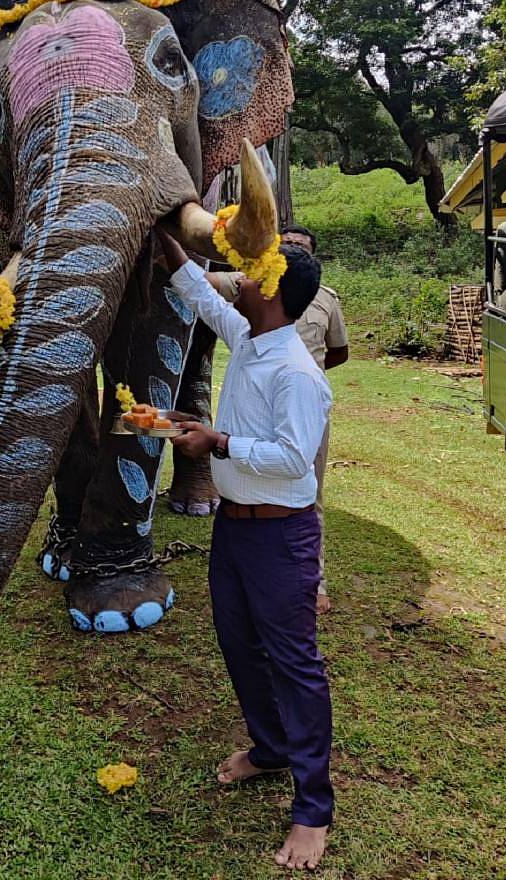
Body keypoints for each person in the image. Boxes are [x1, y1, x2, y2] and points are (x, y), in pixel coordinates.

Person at [158, 226, 333, 873]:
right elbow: (203, 298)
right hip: (234, 530)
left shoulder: (297, 373)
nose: (247, 276)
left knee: (295, 663)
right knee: (236, 641)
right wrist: (165, 240)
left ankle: (313, 809)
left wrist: (219, 443)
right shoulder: (250, 338)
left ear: (276, 291)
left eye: (257, 270)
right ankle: (270, 748)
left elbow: (294, 460)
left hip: (282, 535)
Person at [210, 222, 348, 613]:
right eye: (285, 245)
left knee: (308, 489)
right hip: (261, 392)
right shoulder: (251, 287)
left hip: (302, 401)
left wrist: (304, 378)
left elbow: (338, 351)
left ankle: (312, 580)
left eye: (301, 246)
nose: (293, 250)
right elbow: (208, 292)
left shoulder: (324, 300)